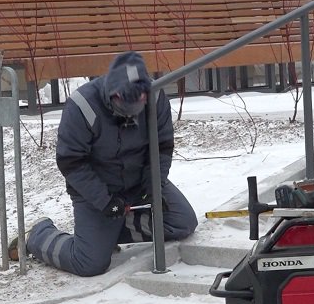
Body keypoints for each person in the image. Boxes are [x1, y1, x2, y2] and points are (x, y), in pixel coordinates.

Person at [11, 51, 198, 276]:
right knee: (89, 263)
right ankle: (39, 234)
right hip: (98, 190)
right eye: (123, 107)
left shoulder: (156, 98)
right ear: (113, 93)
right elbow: (71, 163)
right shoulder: (82, 106)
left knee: (182, 222)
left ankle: (105, 235)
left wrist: (153, 186)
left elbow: (162, 147)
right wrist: (105, 202)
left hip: (139, 182)